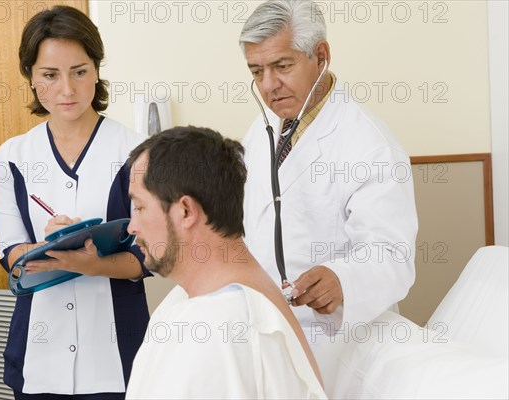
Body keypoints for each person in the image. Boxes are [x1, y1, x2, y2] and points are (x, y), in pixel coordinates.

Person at [0, 6, 149, 398]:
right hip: (38, 357)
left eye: (79, 71)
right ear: (30, 77)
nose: (67, 89)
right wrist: (49, 249)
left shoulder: (136, 152)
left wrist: (94, 265)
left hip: (118, 359)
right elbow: (11, 254)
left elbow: (152, 255)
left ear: (96, 70)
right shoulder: (11, 157)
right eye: (49, 75)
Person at [239, 0, 418, 340]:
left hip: (335, 338)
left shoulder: (370, 145)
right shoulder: (261, 131)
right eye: (256, 71)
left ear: (320, 56)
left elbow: (393, 257)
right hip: (269, 328)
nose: (268, 85)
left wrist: (342, 278)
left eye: (282, 66)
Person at [124, 126, 327, 399]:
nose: (131, 227)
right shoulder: (235, 296)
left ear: (185, 211)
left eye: (139, 207)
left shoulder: (214, 327)